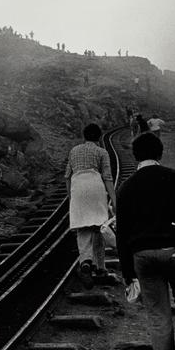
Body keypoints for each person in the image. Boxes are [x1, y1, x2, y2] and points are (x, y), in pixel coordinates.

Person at [115, 132, 175, 350]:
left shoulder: (125, 188)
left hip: (143, 257)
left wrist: (128, 274)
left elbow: (122, 235)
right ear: (160, 153)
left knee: (157, 317)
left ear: (135, 155)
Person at [64, 123, 117, 288]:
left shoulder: (74, 151)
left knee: (82, 228)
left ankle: (85, 262)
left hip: (78, 186)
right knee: (98, 228)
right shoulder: (102, 152)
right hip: (96, 187)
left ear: (84, 136)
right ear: (99, 137)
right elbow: (108, 177)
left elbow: (67, 176)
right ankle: (100, 267)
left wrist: (71, 195)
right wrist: (114, 199)